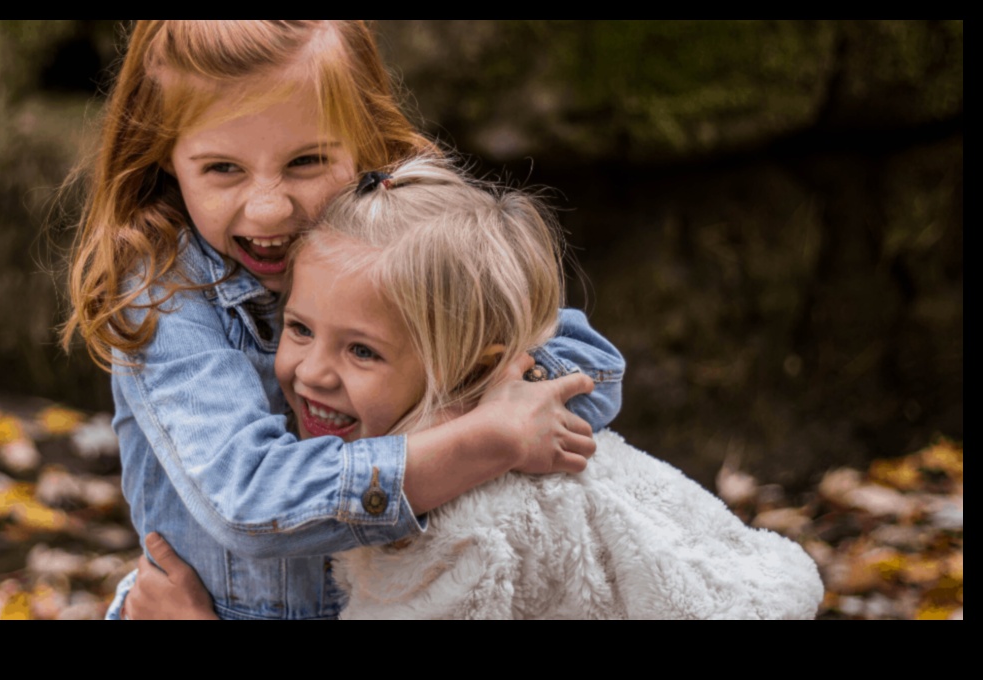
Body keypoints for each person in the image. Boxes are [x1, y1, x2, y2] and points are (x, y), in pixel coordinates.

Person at [60, 21, 625, 621]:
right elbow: (252, 500)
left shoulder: (403, 246)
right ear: (166, 160)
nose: (270, 207)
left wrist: (483, 406)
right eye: (223, 169)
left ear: (365, 141)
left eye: (306, 161)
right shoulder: (165, 294)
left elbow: (588, 370)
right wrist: (483, 438)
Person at [128, 157, 824, 619]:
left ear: (470, 367)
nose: (310, 371)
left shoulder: (470, 528)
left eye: (363, 350)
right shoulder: (484, 435)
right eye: (300, 329)